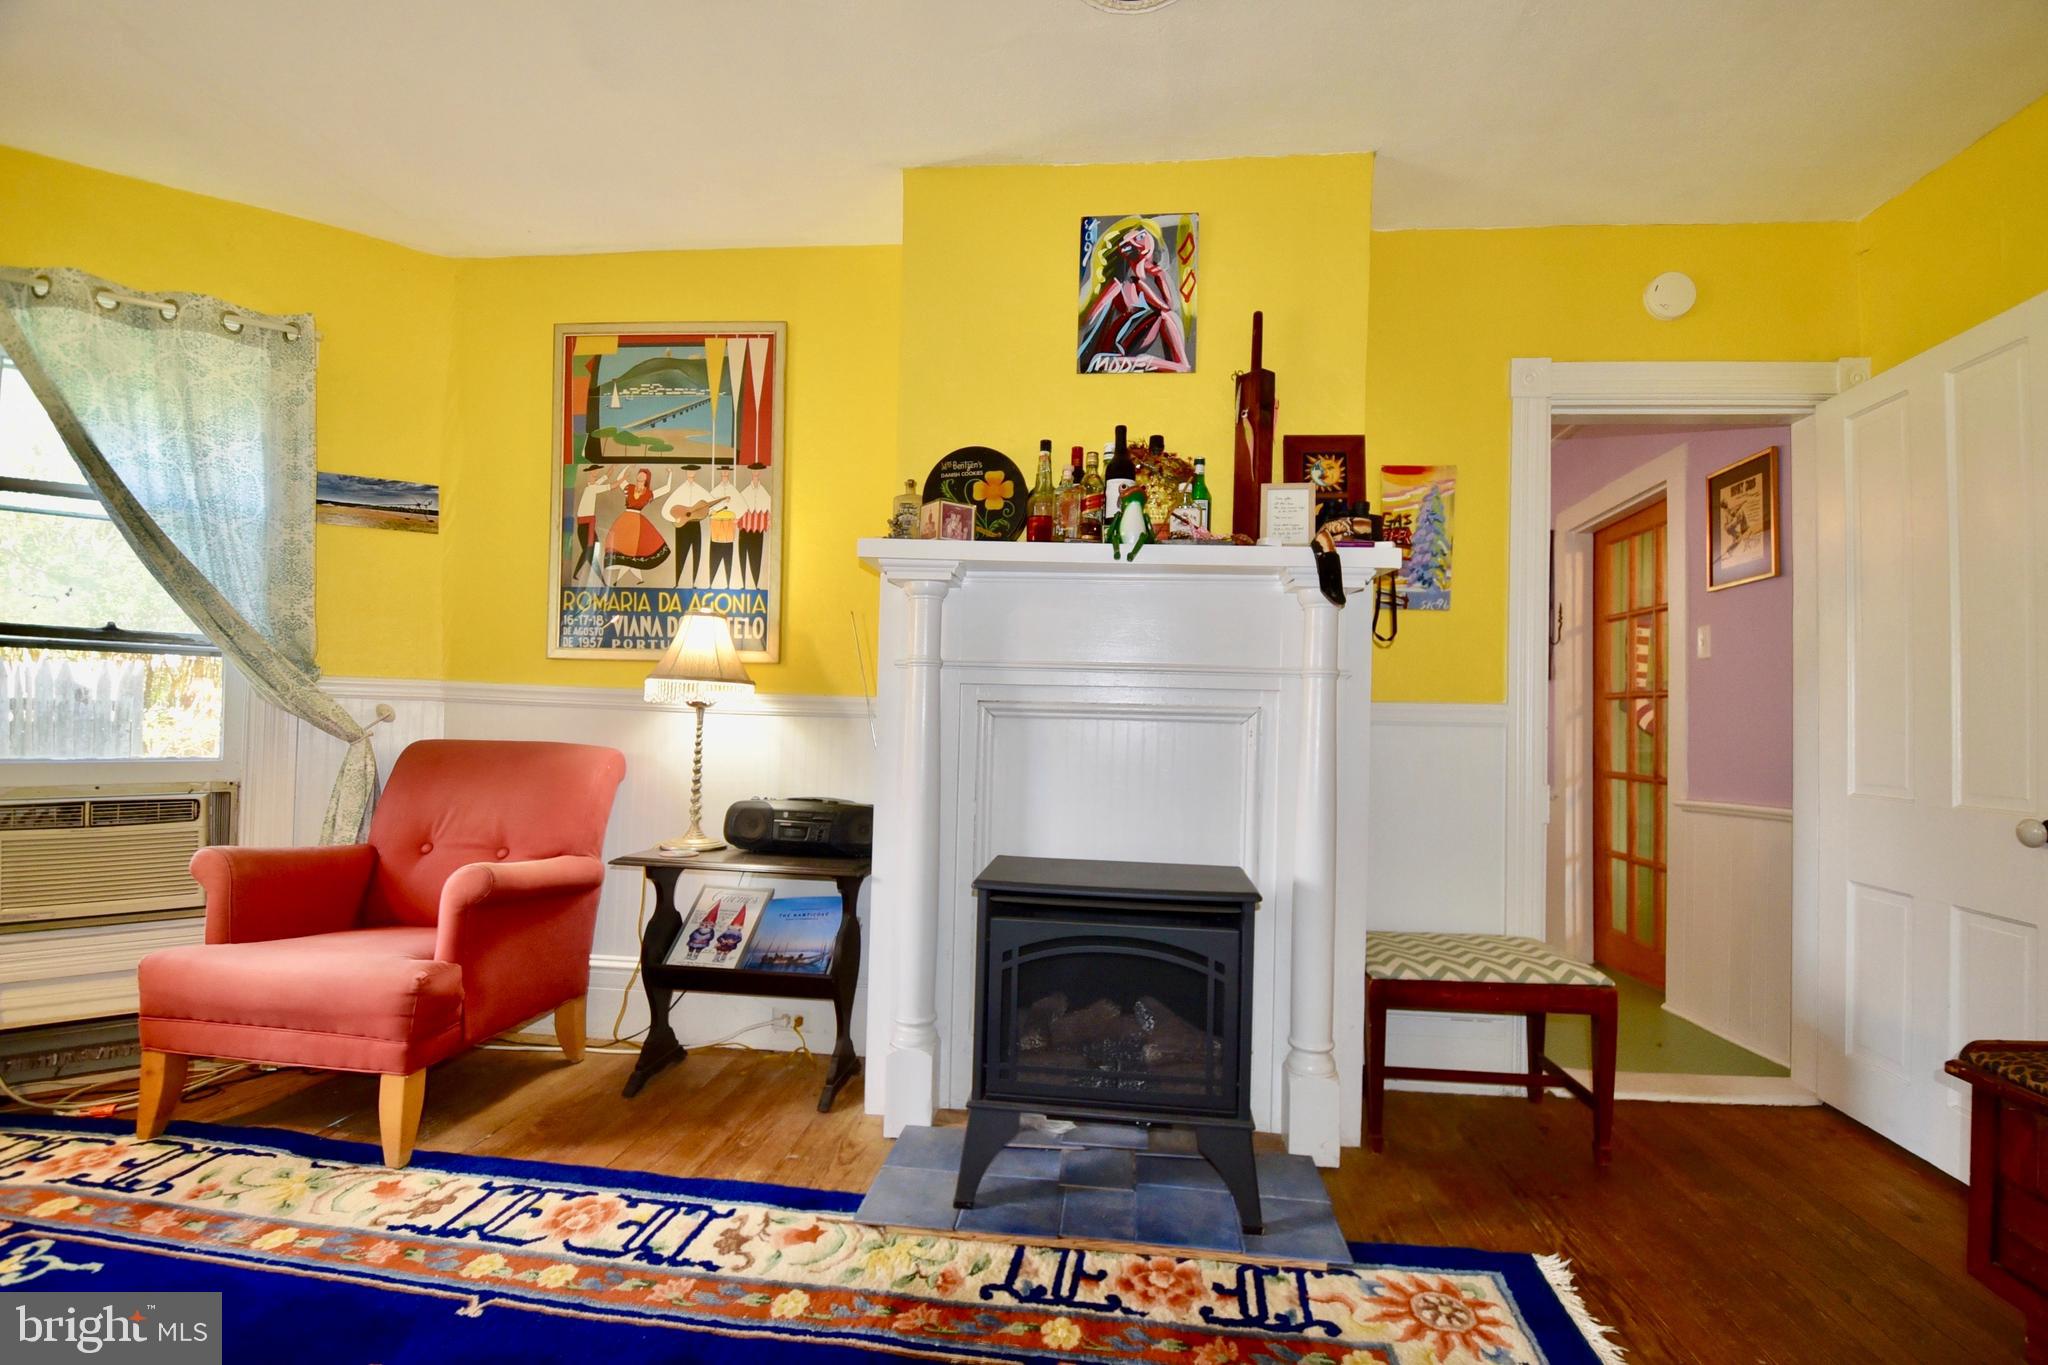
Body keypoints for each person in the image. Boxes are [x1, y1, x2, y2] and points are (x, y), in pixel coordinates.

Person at [1077, 223, 1191, 374]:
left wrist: (1155, 275)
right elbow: (1090, 320)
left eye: (1141, 236)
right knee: (1165, 315)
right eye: (1130, 243)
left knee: (1168, 317)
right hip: (1116, 348)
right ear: (1123, 250)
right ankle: (1142, 363)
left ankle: (1172, 364)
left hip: (1136, 344)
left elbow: (1168, 305)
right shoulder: (1120, 284)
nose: (1139, 243)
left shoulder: (1155, 276)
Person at [602, 467, 674, 584]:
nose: (641, 476)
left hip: (638, 524)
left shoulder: (648, 493)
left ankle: (618, 581)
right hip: (624, 522)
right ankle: (637, 579)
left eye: (643, 475)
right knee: (627, 552)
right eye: (639, 474)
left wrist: (670, 474)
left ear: (647, 479)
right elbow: (619, 478)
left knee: (633, 554)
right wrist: (628, 465)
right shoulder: (629, 488)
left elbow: (667, 488)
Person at [659, 464, 718, 588]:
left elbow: (711, 504)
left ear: (696, 473)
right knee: (680, 553)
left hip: (696, 525)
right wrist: (675, 518)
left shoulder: (700, 490)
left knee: (697, 552)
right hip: (682, 526)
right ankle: (677, 583)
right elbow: (665, 510)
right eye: (689, 471)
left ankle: (694, 583)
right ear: (685, 472)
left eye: (693, 471)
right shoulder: (679, 490)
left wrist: (712, 511)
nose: (691, 473)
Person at [569, 463, 614, 583]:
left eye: (595, 473)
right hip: (585, 524)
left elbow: (606, 479)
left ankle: (579, 574)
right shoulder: (591, 487)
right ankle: (600, 579)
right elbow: (610, 485)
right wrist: (622, 479)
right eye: (593, 473)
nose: (594, 475)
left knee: (590, 551)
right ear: (589, 474)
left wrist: (613, 468)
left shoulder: (592, 486)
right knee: (589, 551)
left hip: (587, 523)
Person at [736, 468, 772, 588]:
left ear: (760, 472)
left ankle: (756, 584)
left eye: (758, 471)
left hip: (757, 531)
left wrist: (768, 520)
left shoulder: (764, 493)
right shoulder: (745, 492)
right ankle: (743, 583)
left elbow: (769, 510)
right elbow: (739, 509)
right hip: (745, 530)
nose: (756, 473)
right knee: (743, 556)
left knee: (756, 556)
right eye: (754, 470)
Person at [705, 467, 740, 589]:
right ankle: (710, 584)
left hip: (729, 530)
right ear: (720, 473)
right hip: (716, 531)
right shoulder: (714, 491)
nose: (725, 473)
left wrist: (736, 518)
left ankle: (729, 584)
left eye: (727, 471)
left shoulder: (734, 491)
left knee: (728, 560)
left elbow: (741, 509)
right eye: (723, 471)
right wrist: (712, 512)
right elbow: (708, 510)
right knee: (714, 559)